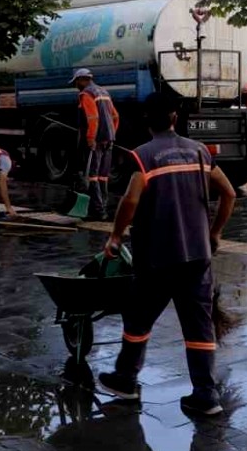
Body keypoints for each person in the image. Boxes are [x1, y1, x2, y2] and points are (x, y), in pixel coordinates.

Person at [97, 92, 237, 417]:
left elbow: (130, 201)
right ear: (175, 117)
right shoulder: (200, 151)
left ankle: (126, 380)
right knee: (199, 326)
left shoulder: (144, 156)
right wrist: (215, 233)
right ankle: (206, 396)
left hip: (158, 258)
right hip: (198, 258)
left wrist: (116, 237)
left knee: (138, 318)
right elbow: (229, 193)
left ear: (147, 120)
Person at [72, 68, 120, 221]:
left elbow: (92, 118)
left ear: (82, 80)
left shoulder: (86, 94)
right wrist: (111, 134)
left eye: (75, 82)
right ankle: (102, 208)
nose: (75, 85)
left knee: (92, 175)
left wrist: (91, 138)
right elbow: (115, 116)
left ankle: (97, 211)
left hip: (96, 140)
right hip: (108, 140)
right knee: (103, 176)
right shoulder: (104, 92)